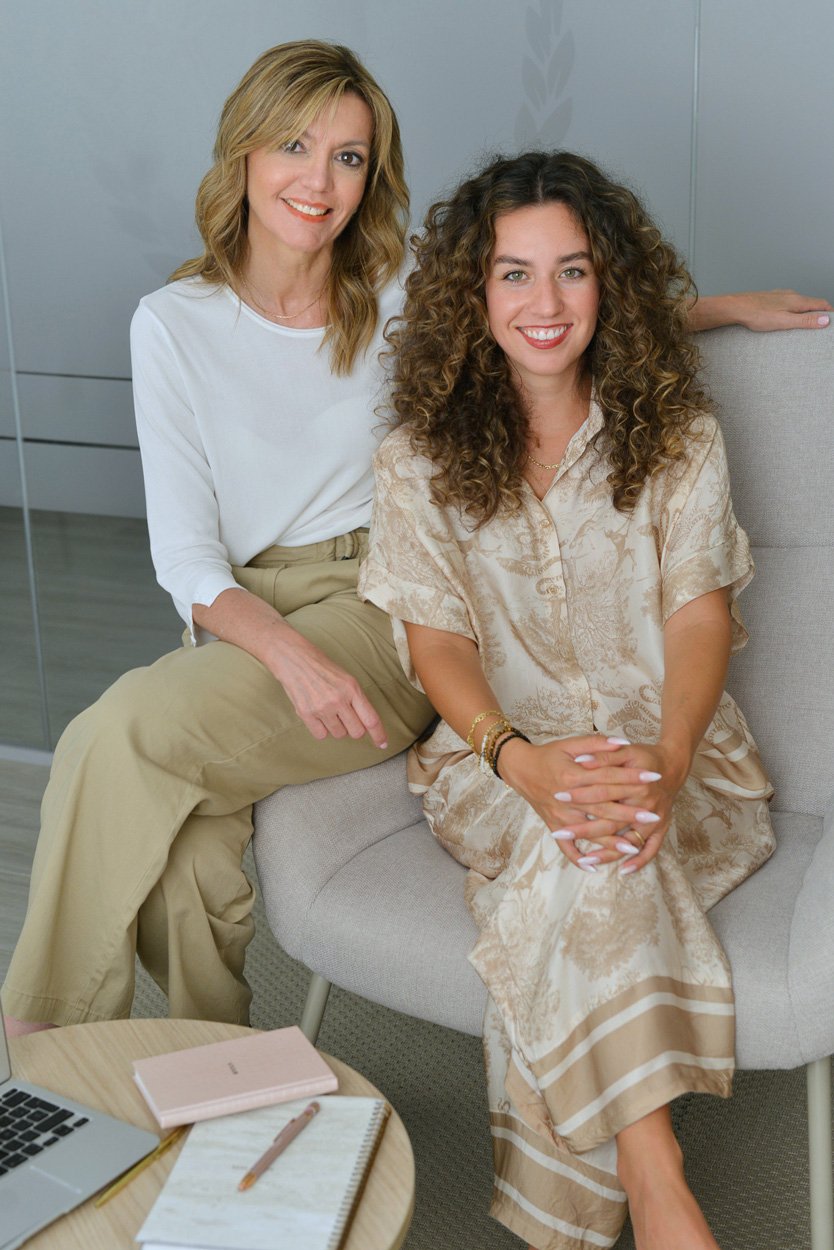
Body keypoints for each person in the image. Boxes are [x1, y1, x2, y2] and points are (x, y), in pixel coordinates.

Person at [2, 39, 828, 1040]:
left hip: (386, 598)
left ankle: (35, 1043)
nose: (318, 182)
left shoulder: (393, 291)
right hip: (251, 611)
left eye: (348, 157)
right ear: (243, 153)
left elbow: (546, 315)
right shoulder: (172, 323)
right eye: (294, 146)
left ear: (371, 177)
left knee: (113, 734)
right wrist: (284, 651)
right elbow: (184, 555)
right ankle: (211, 1075)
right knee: (188, 852)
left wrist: (725, 310)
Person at [360, 150, 778, 1250]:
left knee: (592, 842)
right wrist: (521, 759)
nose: (544, 302)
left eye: (573, 270)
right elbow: (436, 641)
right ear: (473, 292)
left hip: (680, 756)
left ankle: (624, 1191)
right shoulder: (416, 459)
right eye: (514, 273)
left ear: (610, 284)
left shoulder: (681, 434)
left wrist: (669, 760)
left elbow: (699, 617)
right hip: (495, 763)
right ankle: (658, 1176)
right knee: (582, 836)